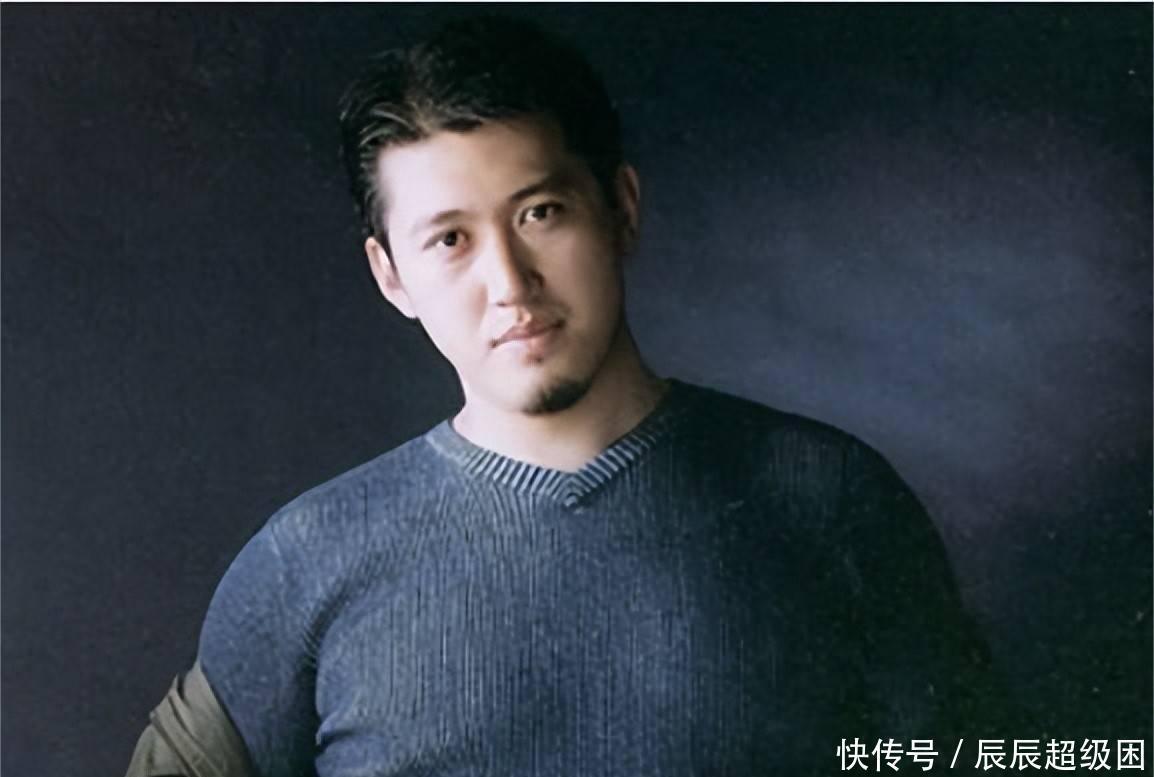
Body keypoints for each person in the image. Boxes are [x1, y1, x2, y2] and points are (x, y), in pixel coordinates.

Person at [126, 14, 1009, 777]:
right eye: (449, 240)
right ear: (390, 275)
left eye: (540, 213)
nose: (510, 283)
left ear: (622, 207)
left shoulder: (829, 499)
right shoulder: (306, 562)